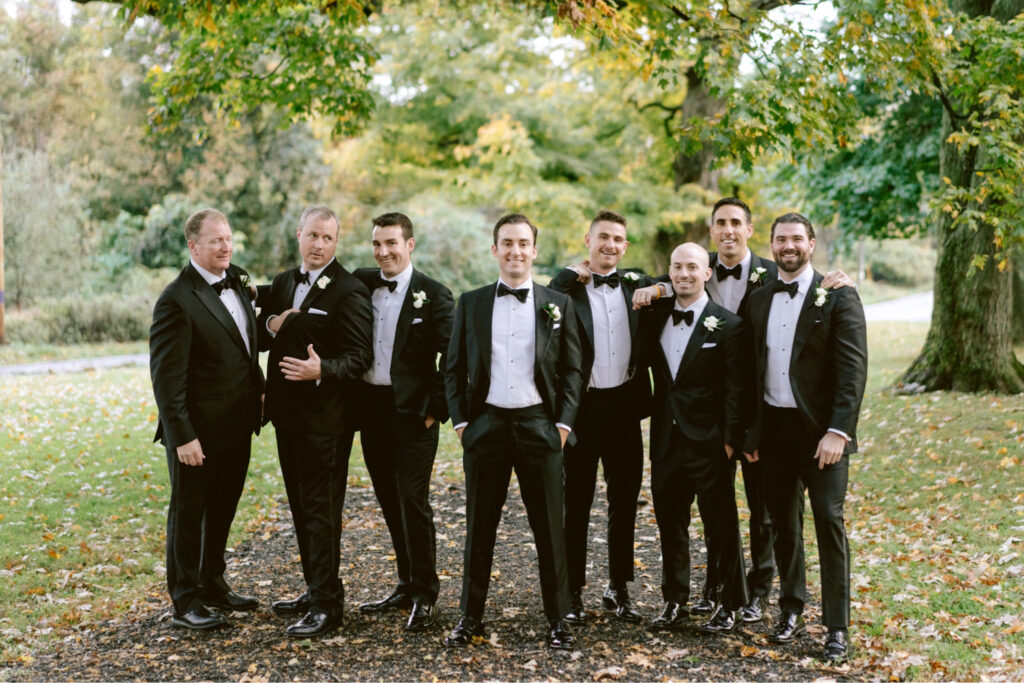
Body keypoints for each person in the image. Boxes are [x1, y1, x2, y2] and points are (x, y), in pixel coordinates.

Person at [631, 197, 853, 623]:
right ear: (712, 231)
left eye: (736, 222)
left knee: (762, 511)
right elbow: (669, 277)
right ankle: (710, 592)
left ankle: (756, 591)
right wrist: (657, 288)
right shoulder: (694, 268)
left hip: (752, 415)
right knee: (705, 511)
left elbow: (809, 292)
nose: (728, 230)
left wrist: (836, 281)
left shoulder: (775, 273)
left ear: (751, 231)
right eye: (720, 223)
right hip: (688, 420)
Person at [443, 214, 583, 651]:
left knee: (550, 530)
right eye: (507, 243)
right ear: (495, 250)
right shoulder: (471, 302)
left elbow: (574, 370)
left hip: (540, 427)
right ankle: (470, 617)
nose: (515, 251)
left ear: (535, 251)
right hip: (485, 427)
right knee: (478, 528)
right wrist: (463, 424)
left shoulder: (557, 303)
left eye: (523, 243)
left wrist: (562, 425)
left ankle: (558, 620)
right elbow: (452, 369)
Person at [742, 213, 867, 663]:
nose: (789, 245)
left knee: (828, 523)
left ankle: (836, 627)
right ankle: (790, 609)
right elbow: (749, 372)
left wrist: (839, 431)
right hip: (773, 433)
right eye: (781, 239)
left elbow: (852, 371)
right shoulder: (758, 300)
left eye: (797, 238)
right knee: (783, 527)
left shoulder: (838, 296)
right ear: (771, 245)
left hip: (821, 435)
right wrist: (750, 433)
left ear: (812, 244)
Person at [258, 205, 373, 638]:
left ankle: (328, 605)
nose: (319, 244)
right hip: (287, 418)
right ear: (299, 234)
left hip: (327, 421)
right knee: (301, 508)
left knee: (322, 511)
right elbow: (261, 332)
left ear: (336, 241)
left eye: (328, 238)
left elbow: (361, 357)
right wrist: (271, 321)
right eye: (313, 236)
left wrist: (321, 370)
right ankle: (314, 587)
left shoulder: (349, 289)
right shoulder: (286, 282)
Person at [150, 208, 264, 631]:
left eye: (229, 237)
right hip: (196, 435)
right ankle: (185, 600)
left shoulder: (240, 280)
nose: (226, 245)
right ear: (193, 246)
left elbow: (243, 341)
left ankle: (213, 582)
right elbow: (166, 378)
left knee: (222, 511)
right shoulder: (176, 299)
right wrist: (182, 436)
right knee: (189, 514)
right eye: (215, 240)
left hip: (237, 427)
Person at [547, 210, 656, 625]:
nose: (610, 244)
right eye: (603, 237)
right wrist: (565, 276)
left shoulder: (636, 285)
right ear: (587, 239)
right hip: (581, 409)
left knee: (624, 501)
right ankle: (572, 589)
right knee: (576, 502)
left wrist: (661, 285)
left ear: (625, 247)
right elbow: (541, 304)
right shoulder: (568, 291)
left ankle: (619, 586)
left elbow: (680, 283)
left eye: (618, 239)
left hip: (625, 408)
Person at [351, 213, 454, 632]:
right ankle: (405, 582)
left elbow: (455, 358)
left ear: (410, 245)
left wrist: (436, 408)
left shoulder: (434, 294)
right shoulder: (361, 282)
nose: (383, 252)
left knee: (413, 502)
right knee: (390, 502)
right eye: (377, 244)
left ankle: (425, 593)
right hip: (371, 409)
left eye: (391, 243)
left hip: (414, 415)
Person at [640, 242, 751, 633]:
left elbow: (738, 390)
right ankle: (675, 601)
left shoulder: (728, 326)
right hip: (666, 443)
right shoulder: (655, 317)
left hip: (710, 443)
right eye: (677, 267)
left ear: (707, 273)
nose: (684, 273)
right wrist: (656, 289)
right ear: (668, 272)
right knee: (671, 526)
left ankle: (730, 603)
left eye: (692, 267)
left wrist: (729, 441)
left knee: (720, 526)